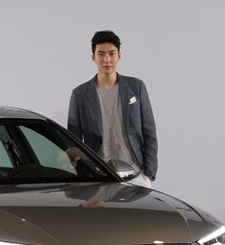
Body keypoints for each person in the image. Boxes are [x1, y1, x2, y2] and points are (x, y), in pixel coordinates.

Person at [68, 30, 158, 187]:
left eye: (111, 53)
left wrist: (149, 174)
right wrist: (83, 173)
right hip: (98, 175)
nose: (107, 59)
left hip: (137, 174)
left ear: (119, 56)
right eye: (101, 54)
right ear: (93, 57)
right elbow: (73, 141)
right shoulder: (80, 94)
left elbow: (149, 132)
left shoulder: (136, 87)